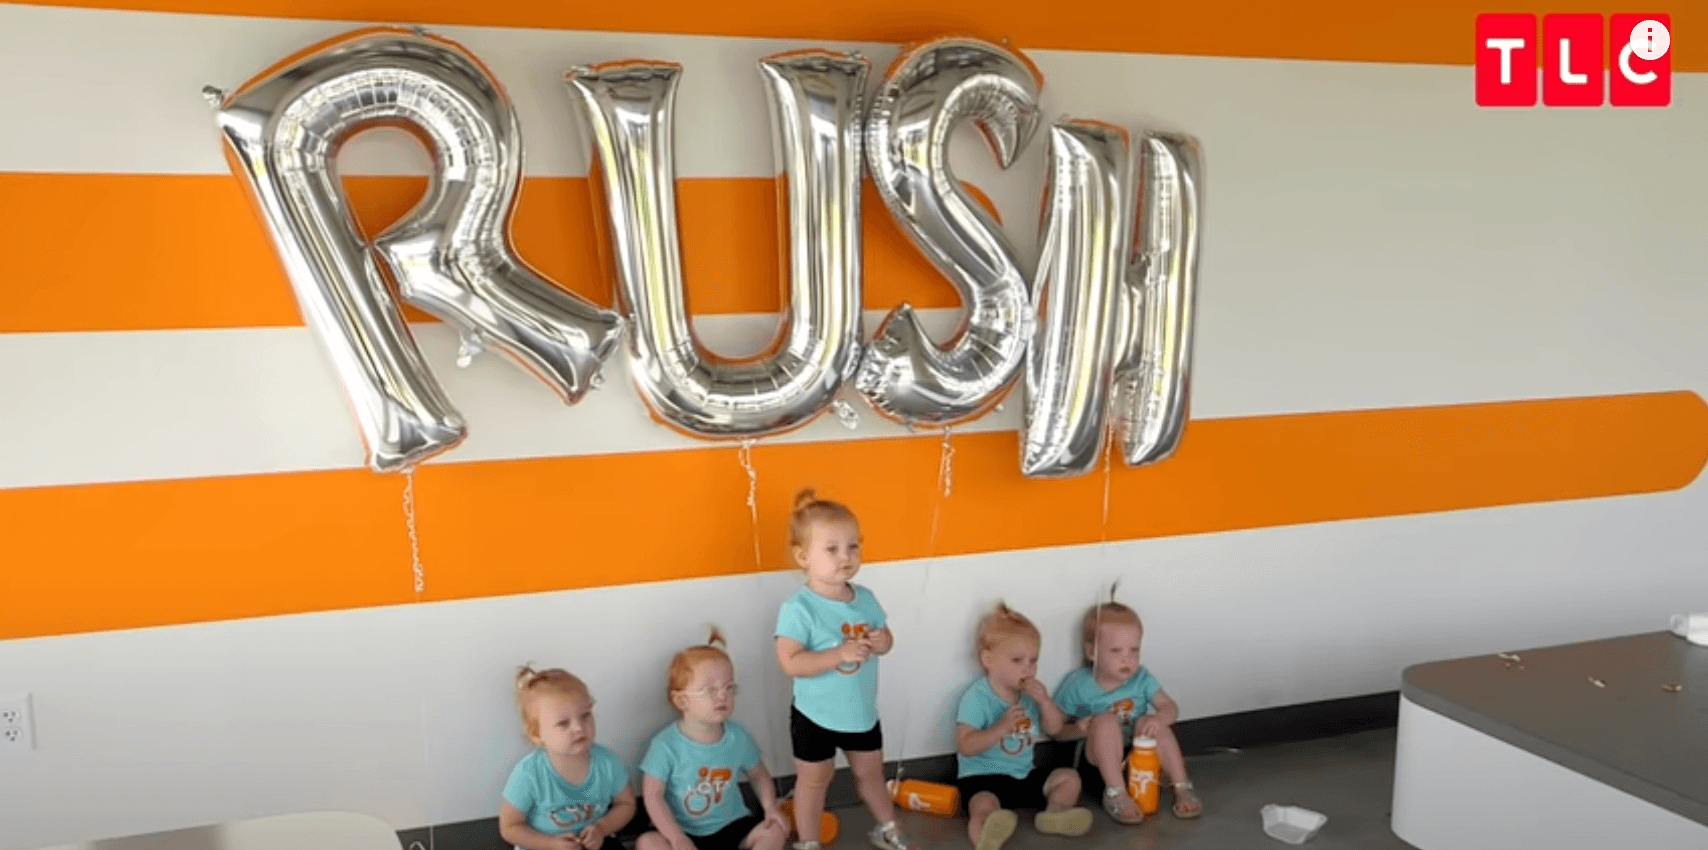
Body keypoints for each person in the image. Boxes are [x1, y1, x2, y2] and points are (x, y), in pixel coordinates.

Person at [773, 489, 915, 850]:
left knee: (870, 774)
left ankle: (888, 828)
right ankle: (807, 841)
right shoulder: (798, 607)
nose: (846, 557)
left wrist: (885, 642)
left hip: (861, 713)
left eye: (853, 547)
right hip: (814, 715)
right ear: (803, 557)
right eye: (832, 549)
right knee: (813, 779)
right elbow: (790, 662)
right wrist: (838, 655)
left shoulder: (865, 597)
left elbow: (886, 637)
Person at [953, 602, 1093, 850]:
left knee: (1068, 778)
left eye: (1033, 660)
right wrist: (1001, 727)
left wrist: (1044, 701)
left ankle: (1054, 815)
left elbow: (1055, 728)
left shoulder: (1029, 696)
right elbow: (965, 745)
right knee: (983, 805)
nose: (1027, 668)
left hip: (1023, 774)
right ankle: (986, 839)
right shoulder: (977, 697)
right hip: (982, 777)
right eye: (1017, 660)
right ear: (988, 660)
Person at [1053, 592, 1202, 823]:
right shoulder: (1078, 684)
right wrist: (1078, 730)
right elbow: (1056, 730)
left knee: (1151, 723)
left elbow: (1169, 706)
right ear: (1092, 652)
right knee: (1105, 721)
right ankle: (1116, 793)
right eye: (1116, 651)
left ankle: (1182, 787)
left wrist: (1159, 719)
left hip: (1138, 763)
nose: (1127, 659)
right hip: (1098, 764)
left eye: (1134, 650)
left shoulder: (1141, 678)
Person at [638, 629, 789, 850]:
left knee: (775, 831)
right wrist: (676, 837)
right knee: (647, 843)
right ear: (681, 701)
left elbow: (758, 774)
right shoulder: (665, 745)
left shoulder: (737, 736)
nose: (722, 696)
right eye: (709, 690)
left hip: (733, 827)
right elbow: (653, 796)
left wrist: (770, 807)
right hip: (682, 831)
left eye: (728, 688)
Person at [500, 666, 637, 850]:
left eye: (585, 715)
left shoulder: (607, 762)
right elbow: (509, 827)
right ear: (536, 733)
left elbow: (626, 803)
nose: (579, 728)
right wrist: (549, 844)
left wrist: (601, 828)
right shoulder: (529, 774)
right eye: (563, 723)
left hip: (594, 842)